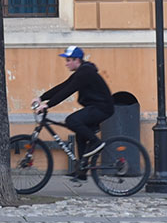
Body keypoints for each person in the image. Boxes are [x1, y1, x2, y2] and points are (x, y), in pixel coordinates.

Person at [33, 45, 114, 179]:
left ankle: (96, 142)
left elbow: (67, 91)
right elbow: (63, 86)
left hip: (102, 108)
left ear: (77, 60)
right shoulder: (81, 72)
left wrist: (47, 105)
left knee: (72, 120)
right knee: (80, 135)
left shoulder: (85, 73)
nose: (66, 64)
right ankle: (81, 171)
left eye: (69, 60)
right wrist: (41, 97)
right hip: (96, 107)